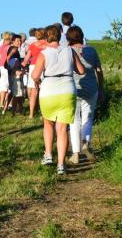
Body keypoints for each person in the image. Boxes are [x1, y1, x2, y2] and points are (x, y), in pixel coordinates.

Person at [31, 25, 85, 175]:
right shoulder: (69, 50)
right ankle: (61, 164)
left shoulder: (44, 54)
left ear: (47, 37)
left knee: (48, 123)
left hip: (49, 90)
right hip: (67, 90)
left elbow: (35, 75)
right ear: (60, 35)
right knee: (62, 129)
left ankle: (48, 154)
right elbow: (81, 70)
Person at [66, 26, 104, 164]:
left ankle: (75, 154)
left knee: (74, 120)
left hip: (73, 88)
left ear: (68, 38)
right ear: (82, 36)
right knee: (87, 117)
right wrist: (101, 89)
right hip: (91, 88)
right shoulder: (91, 50)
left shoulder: (67, 51)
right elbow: (99, 70)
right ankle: (86, 144)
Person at [23, 28, 47, 118]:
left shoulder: (32, 45)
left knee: (34, 92)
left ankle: (31, 114)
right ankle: (42, 113)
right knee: (43, 91)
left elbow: (26, 58)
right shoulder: (47, 45)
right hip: (43, 67)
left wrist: (24, 63)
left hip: (33, 67)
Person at [3, 34, 23, 114]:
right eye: (17, 41)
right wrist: (11, 54)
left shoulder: (16, 50)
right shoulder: (13, 49)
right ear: (13, 41)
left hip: (13, 73)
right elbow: (7, 59)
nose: (19, 42)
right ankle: (16, 110)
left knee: (13, 91)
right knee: (17, 92)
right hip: (13, 74)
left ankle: (5, 108)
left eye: (20, 40)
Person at [0, 31, 13, 109]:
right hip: (6, 67)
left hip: (0, 66)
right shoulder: (9, 47)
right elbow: (8, 58)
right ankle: (6, 104)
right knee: (8, 86)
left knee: (2, 85)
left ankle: (1, 103)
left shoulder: (0, 46)